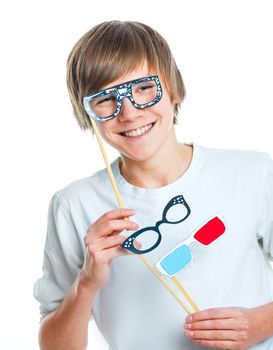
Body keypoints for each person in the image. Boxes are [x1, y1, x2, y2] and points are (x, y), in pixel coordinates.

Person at [33, 20, 273, 349]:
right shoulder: (75, 205)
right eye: (105, 99)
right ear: (88, 113)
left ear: (173, 89)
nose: (129, 113)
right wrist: (87, 282)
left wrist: (260, 323)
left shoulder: (253, 173)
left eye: (144, 88)